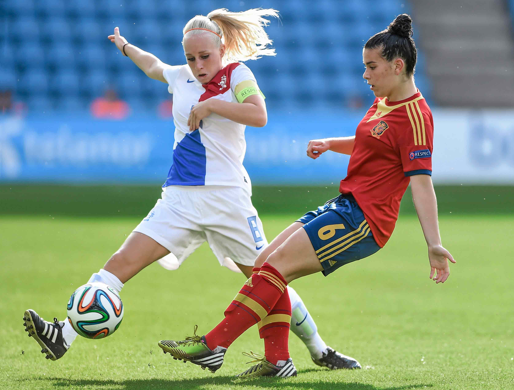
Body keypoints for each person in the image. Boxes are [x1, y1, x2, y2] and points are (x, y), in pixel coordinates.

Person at [23, 8, 359, 372]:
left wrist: (214, 103)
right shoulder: (180, 77)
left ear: (221, 49)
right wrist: (124, 46)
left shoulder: (237, 75)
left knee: (268, 279)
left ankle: (319, 348)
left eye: (204, 56)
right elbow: (153, 66)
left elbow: (258, 114)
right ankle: (64, 334)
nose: (198, 65)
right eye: (190, 57)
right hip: (179, 199)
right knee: (120, 264)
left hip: (227, 199)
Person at [158, 14, 456, 379]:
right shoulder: (385, 99)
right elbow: (372, 143)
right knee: (266, 260)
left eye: (371, 67)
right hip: (346, 206)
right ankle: (278, 361)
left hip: (365, 221)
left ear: (398, 66)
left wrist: (434, 244)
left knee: (273, 269)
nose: (365, 75)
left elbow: (421, 183)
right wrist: (332, 144)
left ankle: (214, 344)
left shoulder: (415, 116)